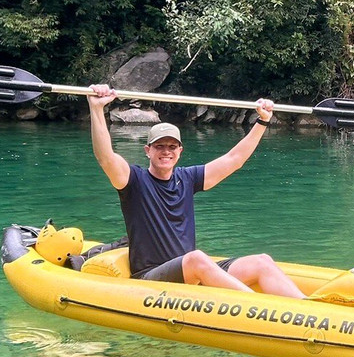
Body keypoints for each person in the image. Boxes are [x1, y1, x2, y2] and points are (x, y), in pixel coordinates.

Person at [87, 85, 305, 299]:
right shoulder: (133, 180)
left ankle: (309, 309)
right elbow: (105, 157)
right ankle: (264, 307)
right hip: (152, 277)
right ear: (148, 151)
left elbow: (234, 160)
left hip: (191, 271)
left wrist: (263, 120)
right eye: (159, 146)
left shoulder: (187, 178)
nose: (166, 151)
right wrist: (96, 108)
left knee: (262, 261)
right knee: (196, 259)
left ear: (180, 151)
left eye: (172, 147)